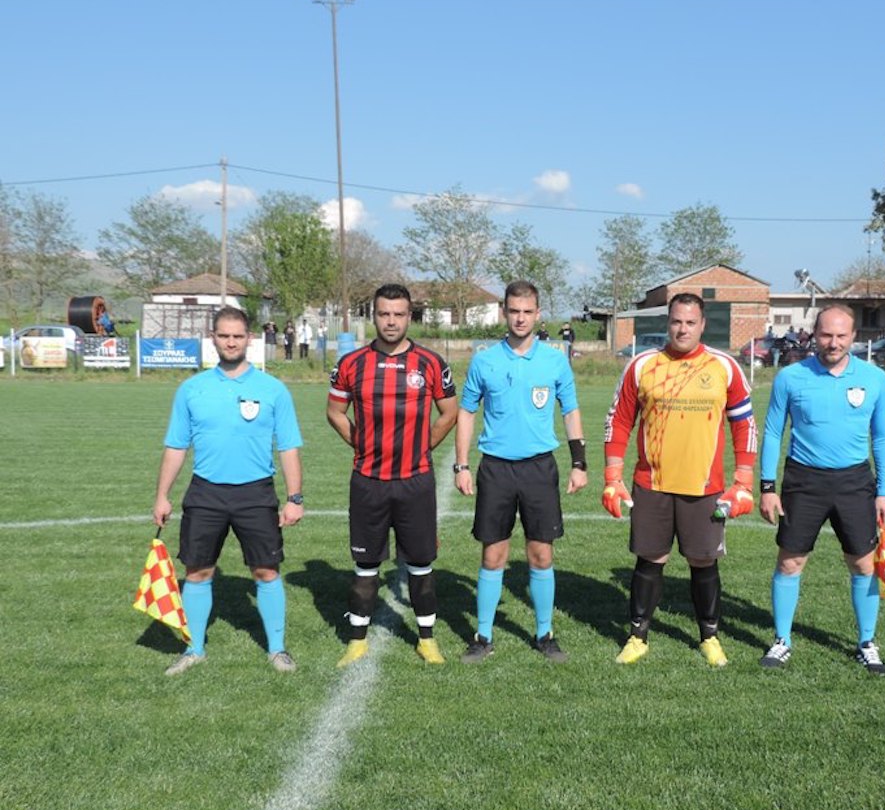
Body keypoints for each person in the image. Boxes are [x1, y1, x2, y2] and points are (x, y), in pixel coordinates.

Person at [603, 293, 757, 667]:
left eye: (690, 322)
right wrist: (612, 476)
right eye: (676, 321)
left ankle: (709, 637)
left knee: (703, 561)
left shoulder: (724, 366)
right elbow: (618, 420)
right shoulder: (643, 365)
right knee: (650, 559)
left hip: (705, 488)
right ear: (667, 323)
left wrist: (743, 481)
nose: (682, 329)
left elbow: (744, 423)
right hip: (651, 483)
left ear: (702, 325)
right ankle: (637, 637)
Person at [152, 306, 304, 676]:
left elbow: (288, 447)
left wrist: (294, 498)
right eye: (224, 335)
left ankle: (277, 650)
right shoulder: (192, 389)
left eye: (237, 336)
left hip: (256, 493)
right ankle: (194, 649)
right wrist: (162, 495)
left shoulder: (273, 389)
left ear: (249, 338)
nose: (231, 342)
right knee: (198, 572)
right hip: (205, 494)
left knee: (266, 571)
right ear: (213, 338)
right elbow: (176, 445)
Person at [454, 280, 588, 663]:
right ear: (504, 312)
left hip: (539, 468)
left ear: (538, 314)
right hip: (495, 469)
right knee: (493, 554)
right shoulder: (485, 361)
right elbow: (466, 412)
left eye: (527, 312)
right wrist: (462, 465)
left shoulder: (554, 361)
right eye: (514, 311)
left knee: (541, 554)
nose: (520, 318)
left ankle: (545, 634)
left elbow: (570, 410)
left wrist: (579, 463)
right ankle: (483, 636)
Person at [757, 305, 885, 675]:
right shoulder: (790, 377)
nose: (833, 343)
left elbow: (882, 437)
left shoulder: (875, 379)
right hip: (803, 482)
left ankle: (867, 642)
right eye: (826, 335)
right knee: (790, 561)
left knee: (863, 563)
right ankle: (782, 640)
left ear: (854, 337)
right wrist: (767, 487)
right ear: (813, 334)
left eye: (841, 336)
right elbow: (773, 432)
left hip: (855, 483)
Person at [328, 284, 459, 666]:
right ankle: (357, 642)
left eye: (398, 314)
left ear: (409, 317)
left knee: (421, 565)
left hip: (415, 481)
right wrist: (359, 444)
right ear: (374, 316)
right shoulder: (351, 364)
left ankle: (427, 640)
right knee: (365, 566)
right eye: (384, 313)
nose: (391, 321)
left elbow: (449, 413)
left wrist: (423, 447)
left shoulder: (430, 363)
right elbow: (335, 412)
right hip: (368, 481)